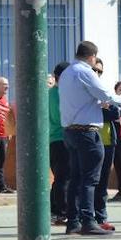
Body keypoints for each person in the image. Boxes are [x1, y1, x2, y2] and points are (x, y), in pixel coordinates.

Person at [58, 41, 121, 236]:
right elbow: (105, 94)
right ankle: (88, 220)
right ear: (92, 56)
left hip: (70, 131)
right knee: (90, 179)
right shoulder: (85, 72)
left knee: (76, 177)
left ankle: (73, 222)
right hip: (87, 132)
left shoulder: (67, 73)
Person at [92, 59, 120, 231]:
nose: (97, 74)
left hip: (108, 141)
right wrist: (103, 109)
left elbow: (115, 112)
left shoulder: (105, 90)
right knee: (89, 181)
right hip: (91, 140)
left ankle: (101, 217)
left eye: (100, 71)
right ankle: (85, 217)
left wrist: (105, 109)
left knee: (103, 182)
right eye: (94, 70)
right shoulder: (86, 88)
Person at [48, 63, 70, 226]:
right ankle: (60, 212)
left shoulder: (51, 94)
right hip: (60, 139)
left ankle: (55, 211)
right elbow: (60, 118)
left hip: (54, 140)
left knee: (60, 178)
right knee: (64, 178)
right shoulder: (57, 94)